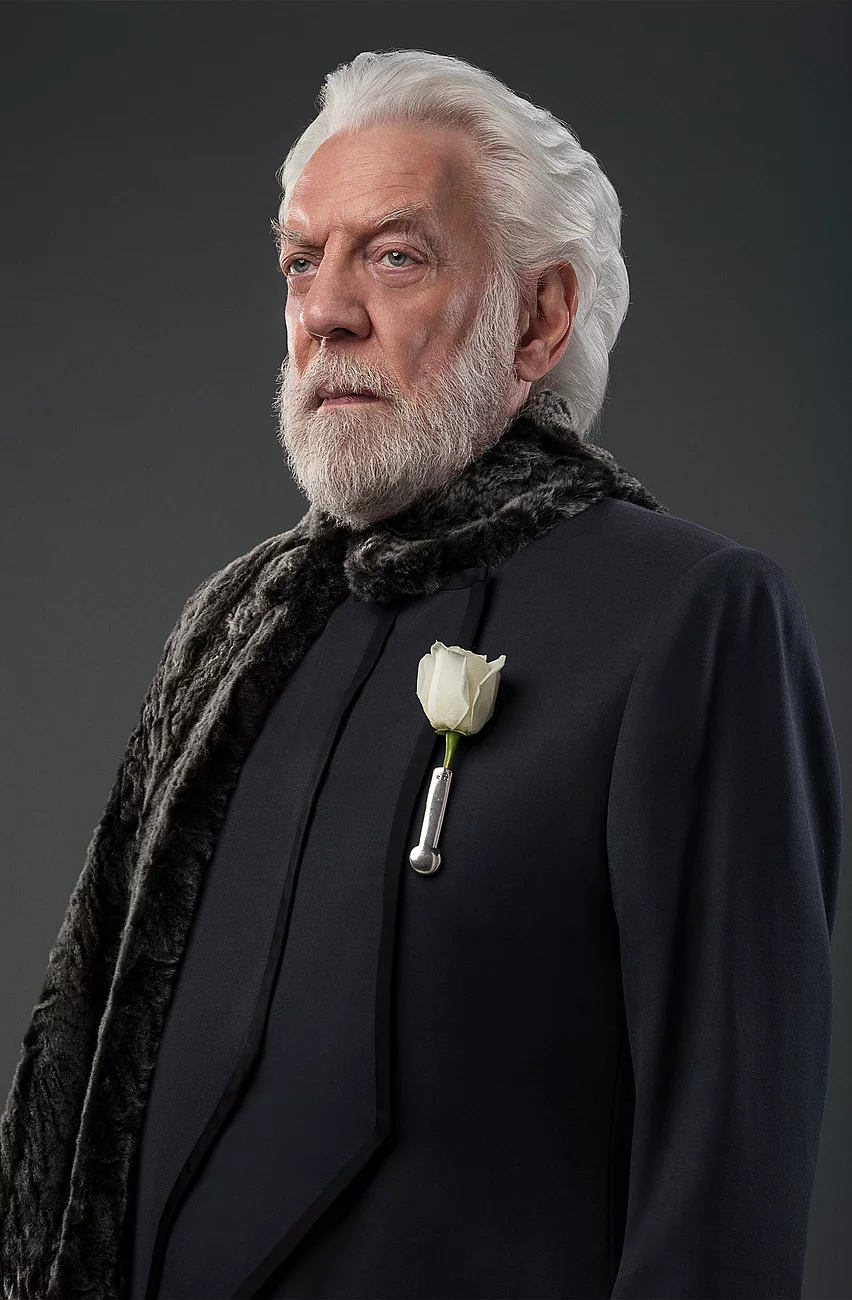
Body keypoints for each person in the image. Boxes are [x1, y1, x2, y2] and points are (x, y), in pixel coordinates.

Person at [0, 49, 841, 1300]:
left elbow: (725, 1191)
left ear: (539, 318)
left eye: (394, 256)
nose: (325, 311)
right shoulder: (232, 624)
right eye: (302, 261)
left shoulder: (690, 617)